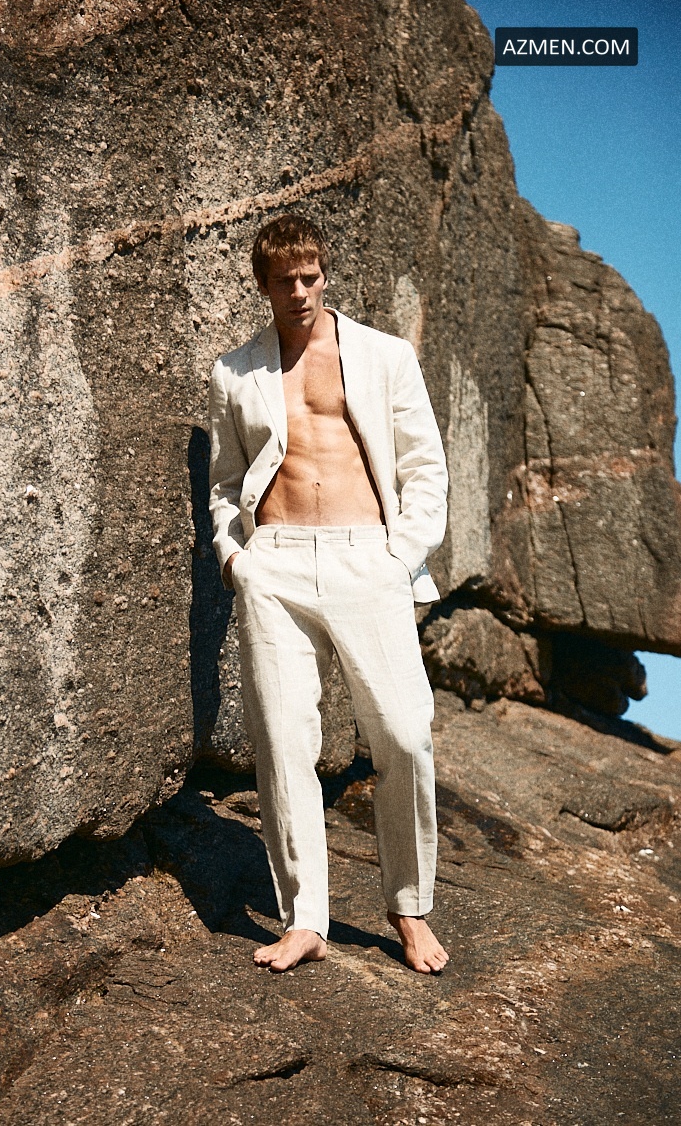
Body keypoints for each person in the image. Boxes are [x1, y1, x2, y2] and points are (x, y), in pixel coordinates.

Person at [208, 214, 449, 973]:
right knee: (285, 744)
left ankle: (408, 906)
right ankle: (306, 918)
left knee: (404, 735)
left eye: (309, 277)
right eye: (284, 281)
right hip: (275, 565)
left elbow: (425, 467)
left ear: (324, 275)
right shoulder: (234, 371)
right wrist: (235, 558)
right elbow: (224, 481)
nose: (299, 292)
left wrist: (399, 555)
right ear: (264, 285)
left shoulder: (384, 356)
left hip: (366, 558)